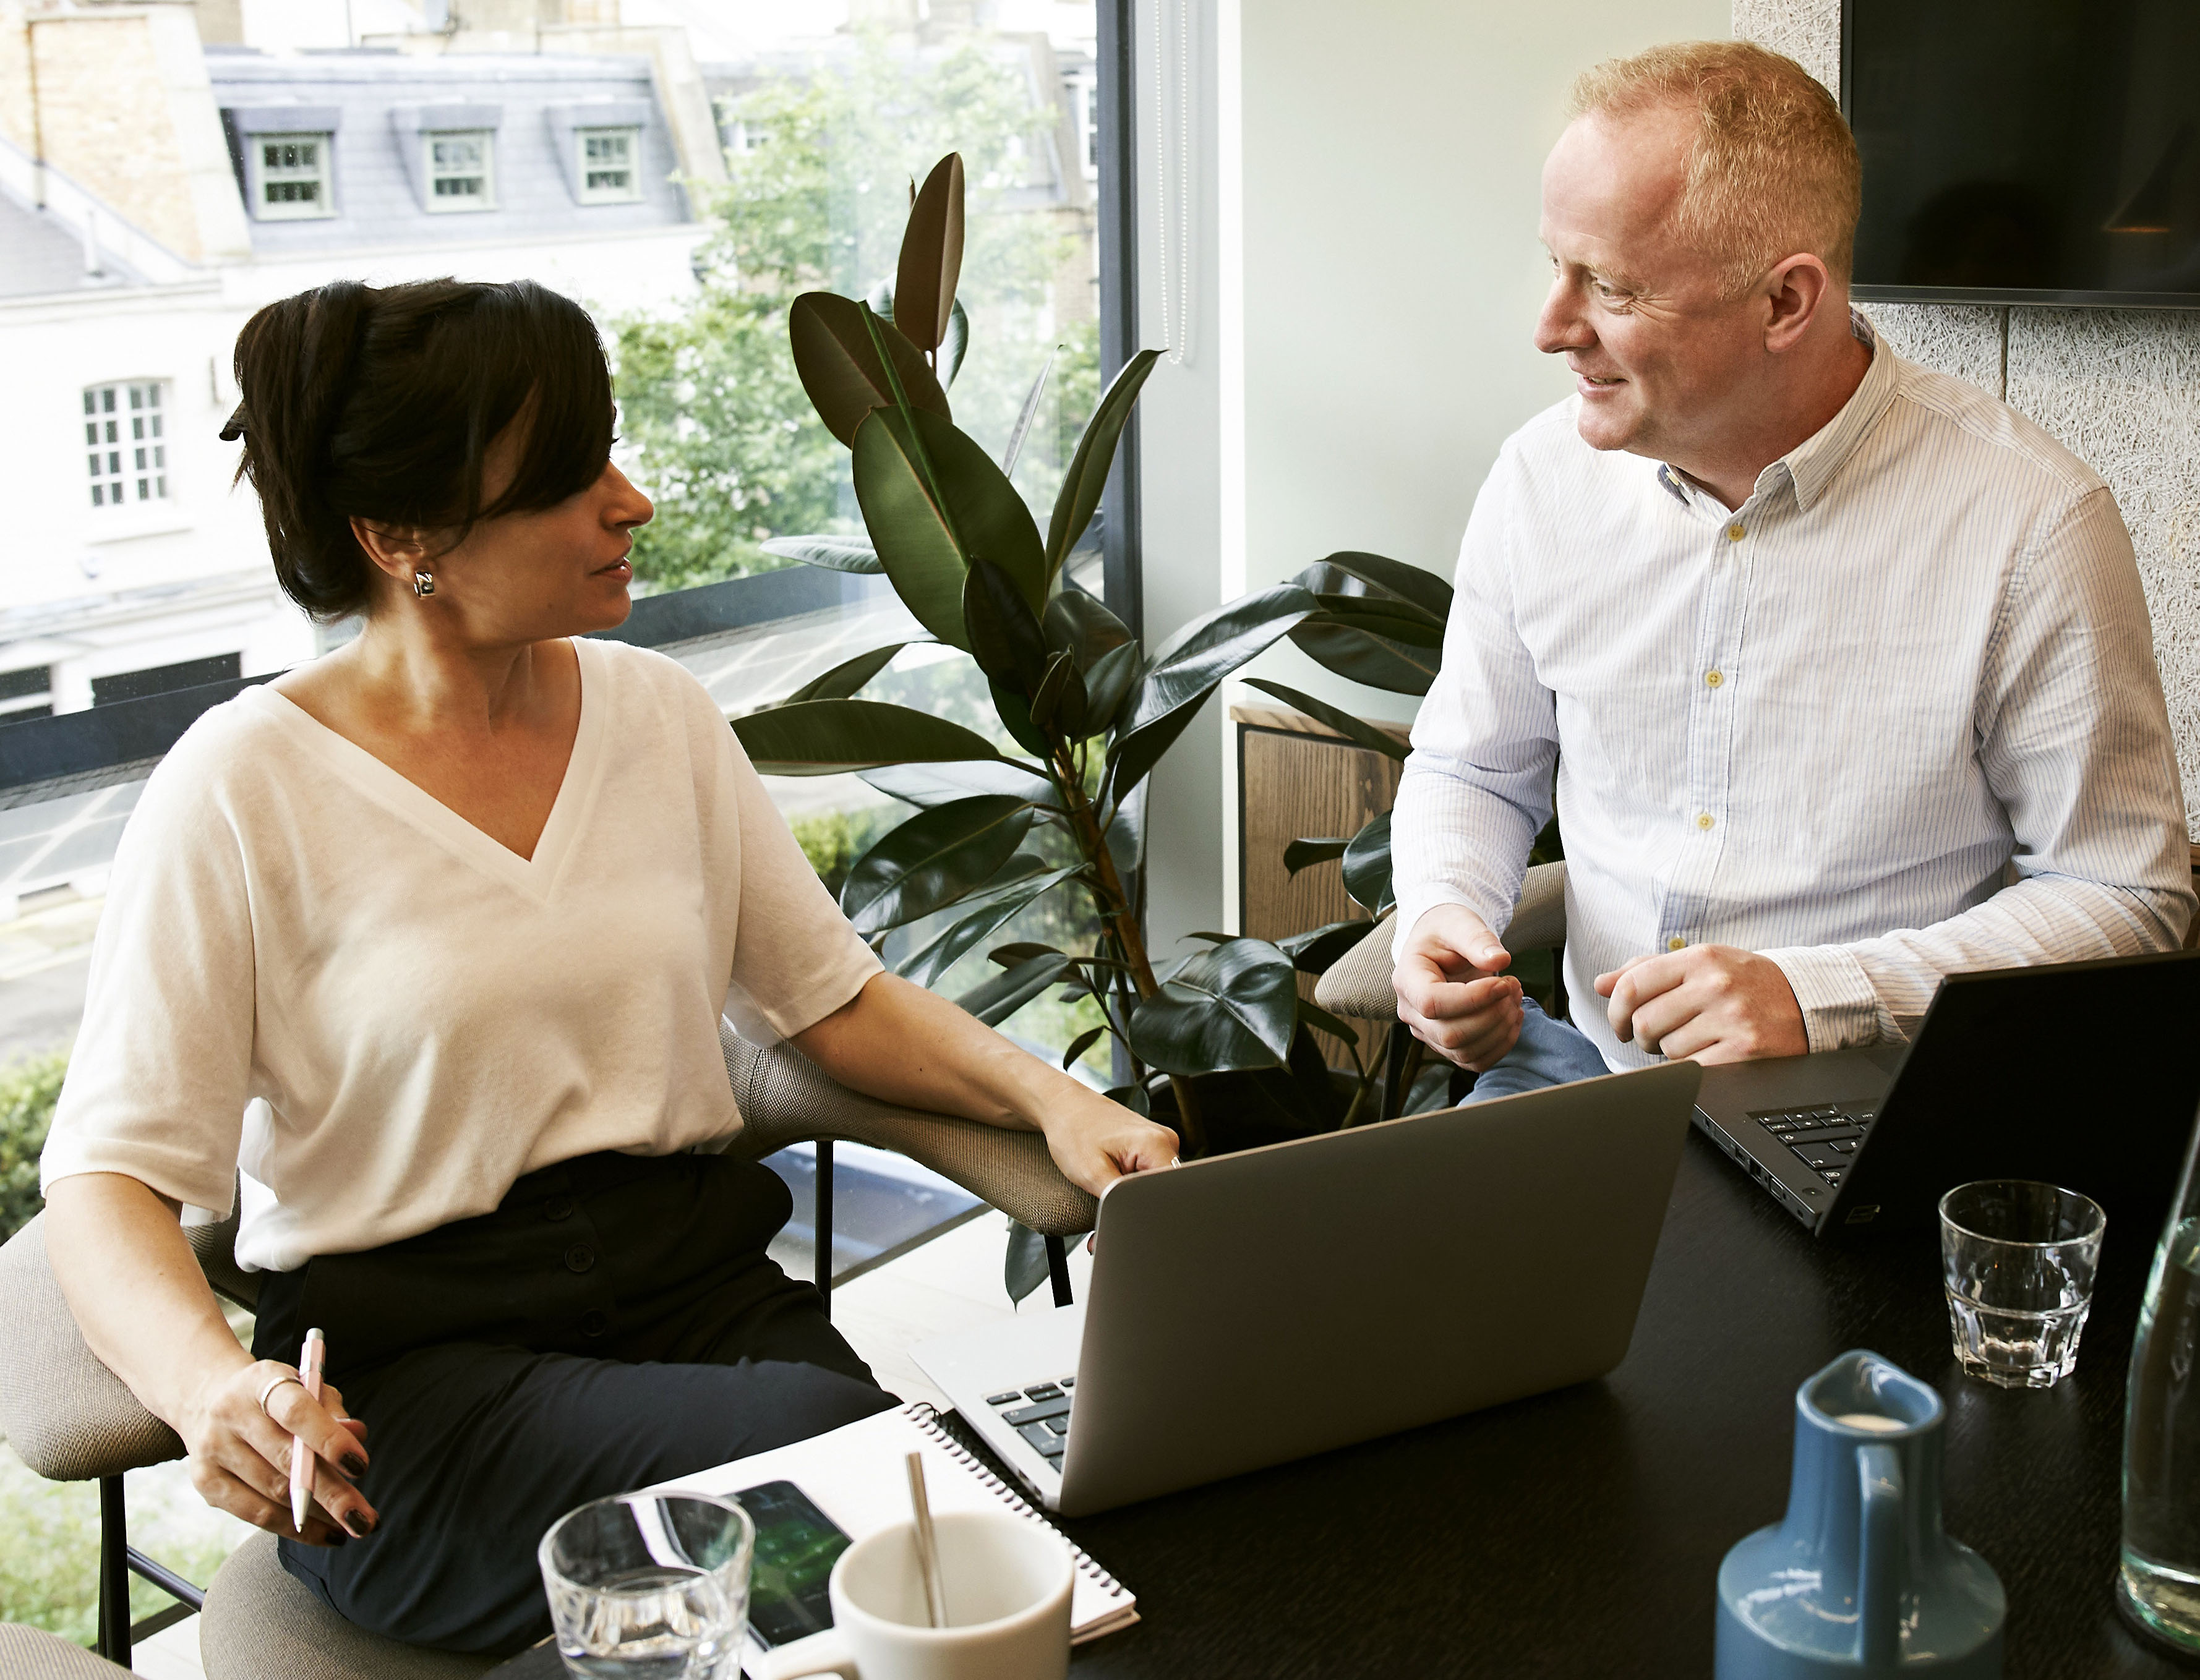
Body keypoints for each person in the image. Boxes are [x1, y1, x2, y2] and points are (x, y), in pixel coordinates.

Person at [36, 278, 1179, 1656]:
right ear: (405, 536)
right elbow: (106, 1179)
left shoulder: (658, 717)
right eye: (571, 477)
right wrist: (208, 1381)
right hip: (426, 1395)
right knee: (859, 1491)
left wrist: (1056, 1101)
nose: (629, 500)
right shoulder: (238, 786)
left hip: (702, 1304)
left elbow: (832, 1003)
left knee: (962, 1564)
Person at [1390, 41, 2193, 1094]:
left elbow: (2125, 894)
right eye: (1556, 264)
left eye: (1612, 287)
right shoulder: (1538, 481)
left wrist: (1824, 993)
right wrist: (1446, 909)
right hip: (1578, 1077)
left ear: (1784, 303)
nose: (1550, 328)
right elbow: (1471, 765)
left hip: (1873, 1098)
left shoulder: (2030, 522)